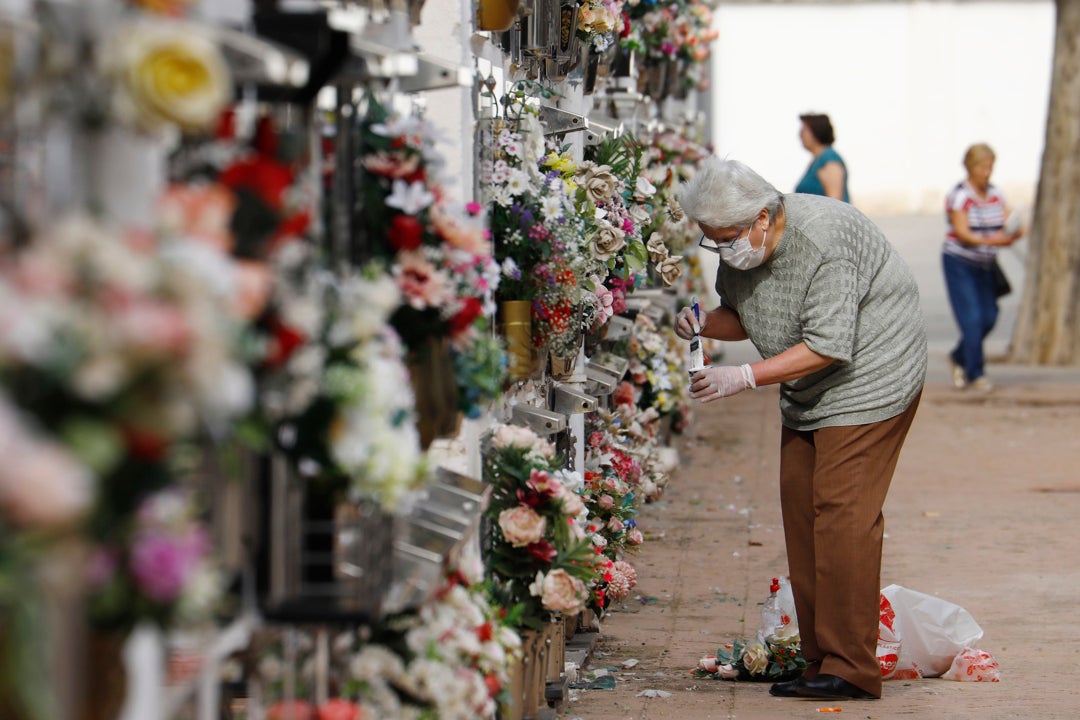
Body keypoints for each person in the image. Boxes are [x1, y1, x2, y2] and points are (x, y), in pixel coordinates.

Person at [675, 157, 926, 701]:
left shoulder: (824, 240)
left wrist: (742, 376)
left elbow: (830, 343)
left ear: (762, 218)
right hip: (810, 385)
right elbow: (745, 313)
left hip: (872, 374)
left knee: (842, 516)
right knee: (801, 510)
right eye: (711, 242)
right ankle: (819, 660)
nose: (722, 251)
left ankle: (852, 668)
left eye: (727, 239)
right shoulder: (742, 246)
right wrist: (701, 321)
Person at [943, 143, 1023, 392]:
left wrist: (1013, 231)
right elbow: (963, 233)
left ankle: (959, 356)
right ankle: (976, 372)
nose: (987, 172)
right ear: (971, 168)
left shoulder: (996, 194)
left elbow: (1010, 219)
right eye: (982, 167)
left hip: (987, 264)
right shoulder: (960, 196)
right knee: (972, 319)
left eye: (990, 167)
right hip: (960, 263)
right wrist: (992, 240)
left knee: (989, 316)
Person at [795, 113, 850, 202]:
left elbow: (835, 202)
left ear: (816, 130)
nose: (800, 135)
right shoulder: (817, 161)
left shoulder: (829, 158)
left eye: (804, 130)